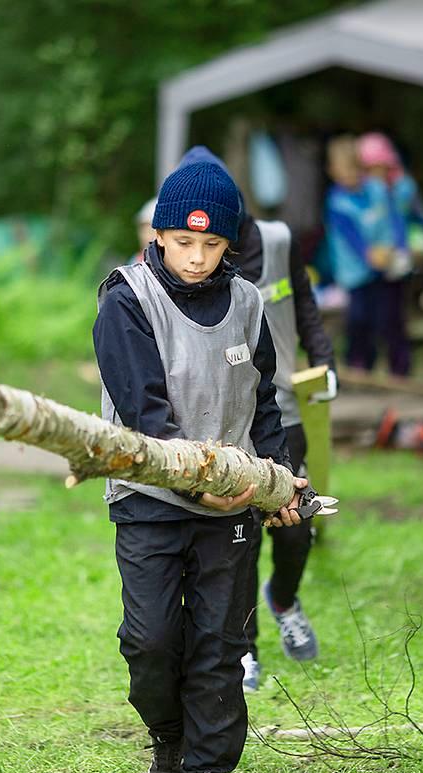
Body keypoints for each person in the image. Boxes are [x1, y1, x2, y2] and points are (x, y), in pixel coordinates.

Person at [93, 157, 307, 773]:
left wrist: (280, 481)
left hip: (232, 504)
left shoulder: (247, 301)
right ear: (157, 234)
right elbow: (147, 416)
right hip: (149, 498)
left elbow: (262, 400)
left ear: (230, 243)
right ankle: (168, 739)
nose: (195, 258)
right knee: (152, 639)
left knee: (221, 641)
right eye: (183, 242)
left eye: (211, 244)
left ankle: (207, 772)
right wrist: (196, 483)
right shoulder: (126, 301)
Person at [171, 146, 336, 694]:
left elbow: (306, 303)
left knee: (295, 525)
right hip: (223, 421)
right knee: (235, 537)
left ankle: (285, 599)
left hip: (282, 408)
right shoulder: (191, 257)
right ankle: (244, 650)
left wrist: (323, 357)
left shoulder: (280, 242)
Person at [355, 132, 415, 377]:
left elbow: (403, 222)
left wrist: (401, 248)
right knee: (372, 320)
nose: (376, 172)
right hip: (373, 266)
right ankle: (369, 366)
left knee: (395, 319)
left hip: (396, 261)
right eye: (370, 168)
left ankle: (400, 367)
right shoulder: (367, 191)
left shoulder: (400, 188)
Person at [323, 134, 378, 371]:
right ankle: (354, 361)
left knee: (372, 318)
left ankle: (368, 362)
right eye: (344, 170)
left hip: (371, 269)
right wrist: (369, 253)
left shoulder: (368, 193)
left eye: (354, 169)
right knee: (356, 319)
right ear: (332, 170)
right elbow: (351, 235)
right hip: (349, 271)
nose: (350, 175)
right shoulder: (336, 200)